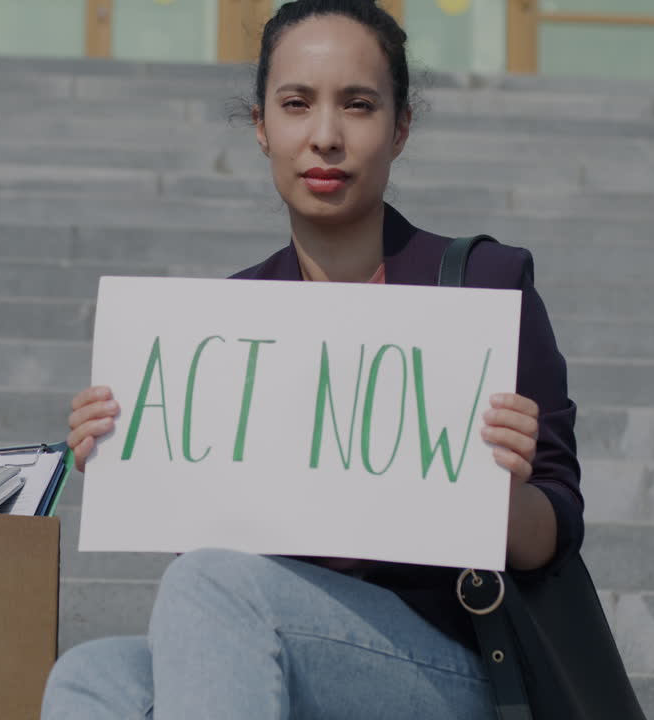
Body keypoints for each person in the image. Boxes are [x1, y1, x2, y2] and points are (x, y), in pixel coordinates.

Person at [42, 1, 582, 717]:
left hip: (453, 669)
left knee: (215, 585)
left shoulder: (482, 286)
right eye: (296, 105)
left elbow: (556, 527)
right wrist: (130, 454)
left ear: (401, 127)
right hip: (283, 636)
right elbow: (214, 553)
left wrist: (502, 494)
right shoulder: (226, 321)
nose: (324, 137)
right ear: (262, 126)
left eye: (358, 106)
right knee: (90, 677)